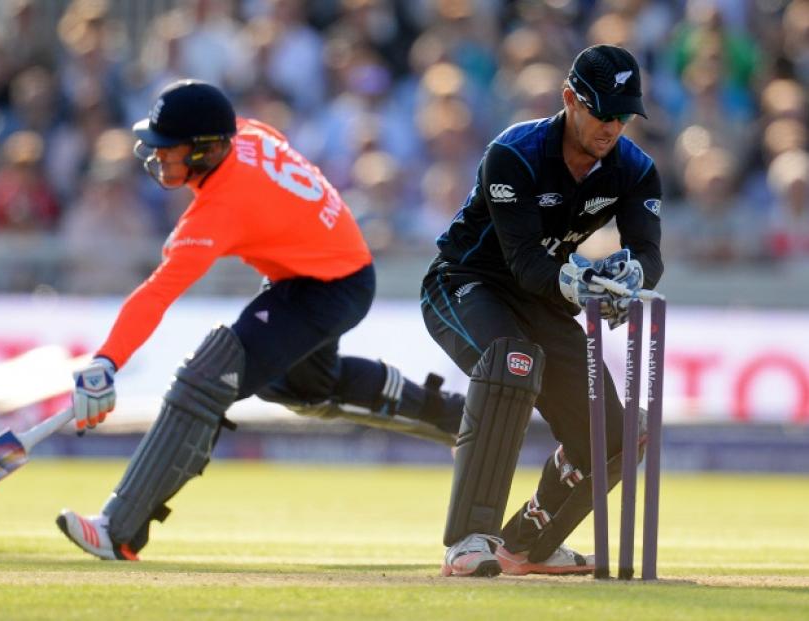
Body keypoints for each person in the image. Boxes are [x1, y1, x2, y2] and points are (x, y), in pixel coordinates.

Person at [56, 79, 464, 561]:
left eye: (171, 149)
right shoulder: (247, 134)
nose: (159, 157)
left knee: (210, 374)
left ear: (207, 150)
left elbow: (158, 293)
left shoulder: (221, 208)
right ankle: (457, 418)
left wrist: (107, 361)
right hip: (323, 271)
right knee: (305, 389)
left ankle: (119, 528)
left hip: (327, 285)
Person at [419, 44, 663, 577]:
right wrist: (589, 286)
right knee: (512, 363)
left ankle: (526, 546)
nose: (612, 128)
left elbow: (649, 253)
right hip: (466, 284)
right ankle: (467, 542)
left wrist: (631, 278)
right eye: (602, 112)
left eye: (623, 116)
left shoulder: (634, 169)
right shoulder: (515, 152)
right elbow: (525, 263)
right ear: (571, 99)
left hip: (544, 301)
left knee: (612, 436)